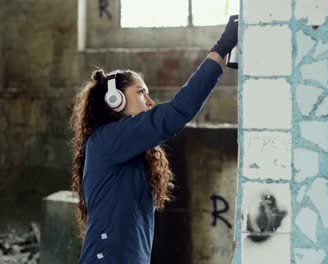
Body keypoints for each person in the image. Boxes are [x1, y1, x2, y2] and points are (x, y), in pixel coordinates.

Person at [70, 15, 238, 263]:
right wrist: (220, 49)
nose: (149, 101)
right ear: (115, 101)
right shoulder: (107, 140)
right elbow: (177, 112)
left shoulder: (128, 147)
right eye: (141, 93)